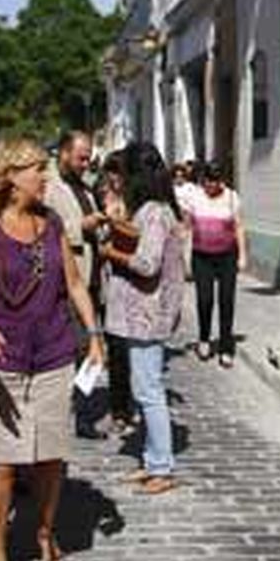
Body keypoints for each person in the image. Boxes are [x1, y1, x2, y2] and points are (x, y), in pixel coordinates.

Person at [0, 139, 105, 561]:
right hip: (0, 359)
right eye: (38, 169)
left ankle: (44, 533)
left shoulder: (53, 222)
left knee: (49, 456)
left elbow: (75, 284)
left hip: (55, 353)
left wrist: (95, 333)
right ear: (10, 175)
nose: (45, 177)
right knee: (0, 462)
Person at [101, 141, 187, 495]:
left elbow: (147, 264)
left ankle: (163, 467)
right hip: (143, 314)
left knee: (149, 391)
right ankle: (153, 460)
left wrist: (112, 252)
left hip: (147, 315)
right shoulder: (156, 210)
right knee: (144, 388)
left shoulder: (153, 212)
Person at [43, 131, 111, 438]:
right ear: (64, 153)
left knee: (90, 352)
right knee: (75, 349)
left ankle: (80, 410)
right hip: (67, 282)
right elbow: (45, 228)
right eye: (81, 158)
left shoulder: (84, 187)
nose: (86, 164)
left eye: (89, 158)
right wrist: (79, 228)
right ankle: (65, 412)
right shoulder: (49, 186)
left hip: (93, 280)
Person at [186, 161, 245, 368]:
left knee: (226, 301)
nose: (211, 185)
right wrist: (182, 255)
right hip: (201, 257)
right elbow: (185, 225)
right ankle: (204, 339)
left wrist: (242, 255)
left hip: (227, 256)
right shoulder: (195, 196)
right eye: (208, 181)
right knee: (205, 299)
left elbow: (238, 226)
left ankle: (226, 348)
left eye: (215, 181)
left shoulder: (231, 197)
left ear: (222, 181)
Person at [97, 151, 135, 433]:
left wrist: (114, 223)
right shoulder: (103, 197)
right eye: (110, 173)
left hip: (134, 275)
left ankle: (132, 403)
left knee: (134, 349)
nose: (113, 179)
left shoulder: (138, 202)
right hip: (110, 278)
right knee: (117, 347)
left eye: (117, 173)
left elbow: (139, 234)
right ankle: (119, 408)